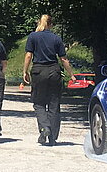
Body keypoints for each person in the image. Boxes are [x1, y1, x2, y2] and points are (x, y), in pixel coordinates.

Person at [22, 14, 75, 145]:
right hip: (54, 71)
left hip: (39, 71)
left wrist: (25, 71)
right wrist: (71, 74)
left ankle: (45, 127)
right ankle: (52, 138)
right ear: (51, 24)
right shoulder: (56, 38)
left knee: (39, 103)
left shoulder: (33, 36)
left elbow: (28, 56)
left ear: (39, 23)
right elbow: (63, 59)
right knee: (54, 104)